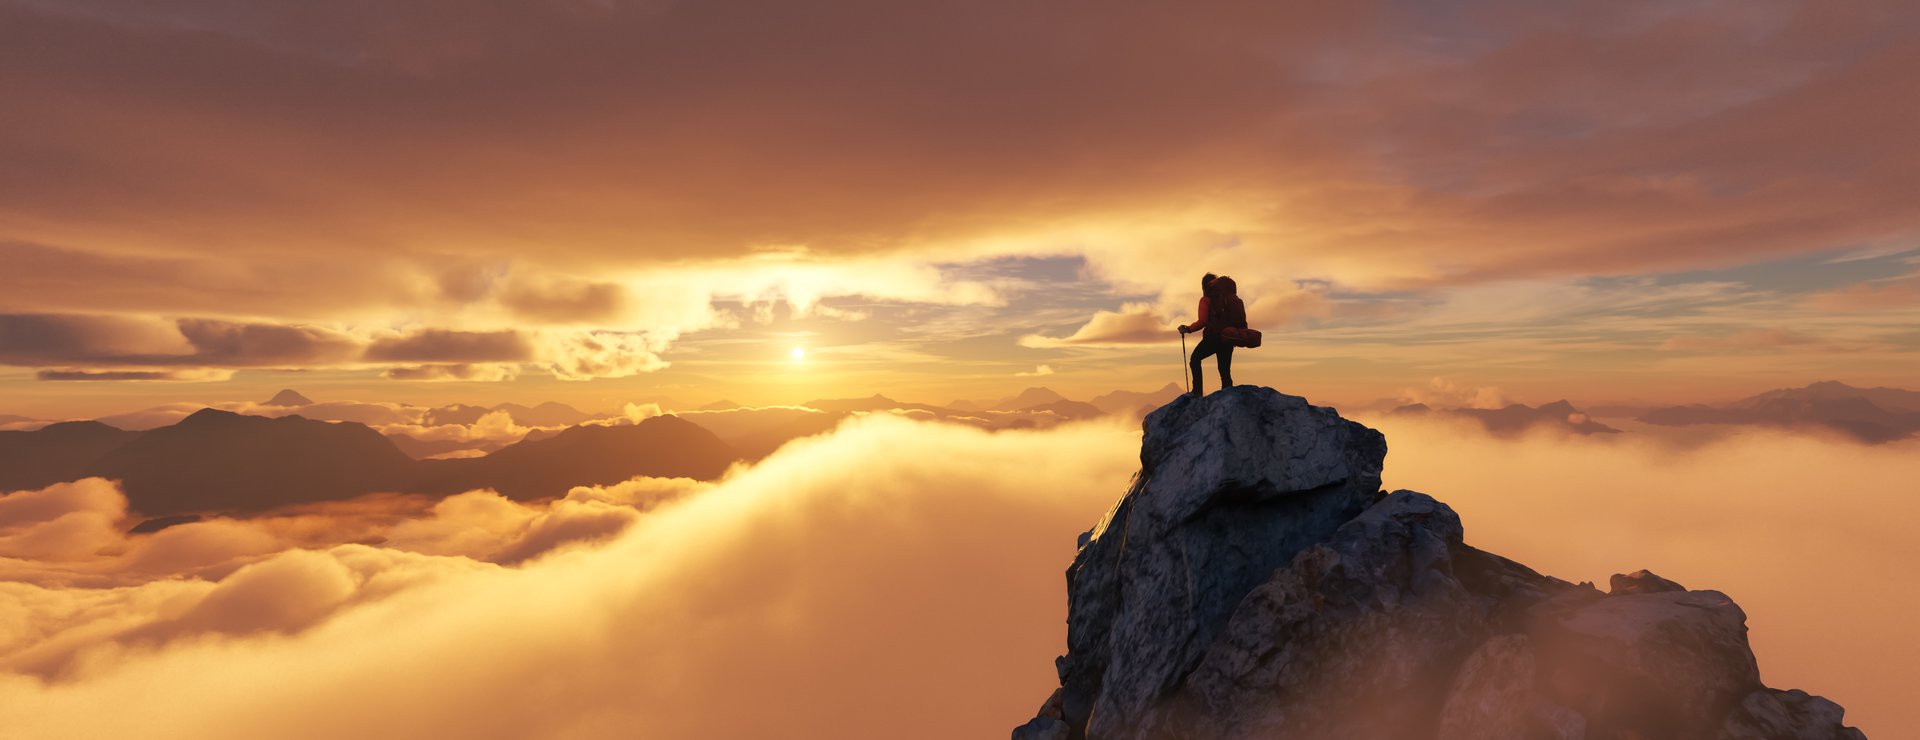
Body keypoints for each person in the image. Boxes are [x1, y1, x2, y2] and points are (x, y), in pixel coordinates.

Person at [1179, 273, 1244, 396]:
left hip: (1212, 338)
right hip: (1228, 337)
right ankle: (1228, 396)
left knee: (1195, 360)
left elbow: (1202, 321)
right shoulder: (1227, 299)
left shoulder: (1205, 300)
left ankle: (1197, 391)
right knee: (1224, 370)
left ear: (1204, 287)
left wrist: (1188, 329)